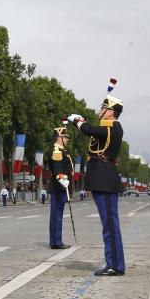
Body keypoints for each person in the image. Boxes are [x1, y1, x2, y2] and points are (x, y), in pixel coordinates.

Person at [68, 94, 125, 276]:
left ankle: (115, 265)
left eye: (103, 109)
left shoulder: (113, 127)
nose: (100, 111)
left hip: (105, 178)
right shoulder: (106, 128)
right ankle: (113, 262)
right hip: (101, 178)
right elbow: (93, 132)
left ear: (110, 112)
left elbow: (88, 130)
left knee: (110, 224)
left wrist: (78, 121)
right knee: (107, 224)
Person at [44, 127, 73, 249]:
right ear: (59, 138)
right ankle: (56, 241)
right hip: (59, 187)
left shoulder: (62, 151)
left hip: (61, 187)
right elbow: (58, 171)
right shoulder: (57, 151)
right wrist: (64, 181)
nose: (67, 139)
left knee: (58, 214)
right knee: (56, 215)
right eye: (65, 137)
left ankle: (56, 240)